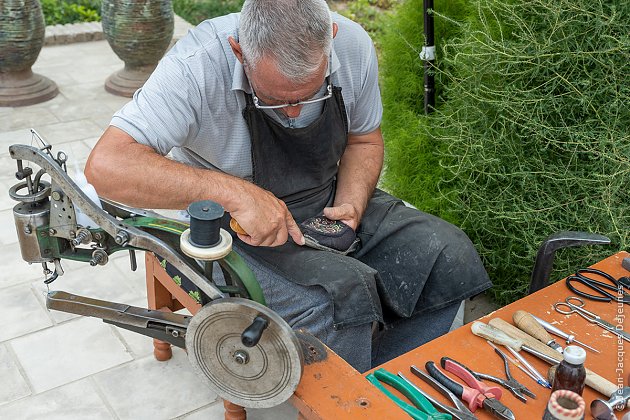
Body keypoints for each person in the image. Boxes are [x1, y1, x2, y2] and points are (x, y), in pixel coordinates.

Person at [85, 0, 491, 372]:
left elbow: (364, 139)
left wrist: (351, 201)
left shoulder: (351, 44)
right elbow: (107, 166)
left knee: (446, 253)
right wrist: (236, 193)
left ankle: (395, 379)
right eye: (276, 99)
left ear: (329, 40)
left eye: (309, 93)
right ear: (239, 51)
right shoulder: (196, 64)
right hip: (229, 219)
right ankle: (341, 404)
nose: (294, 111)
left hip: (325, 194)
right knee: (336, 298)